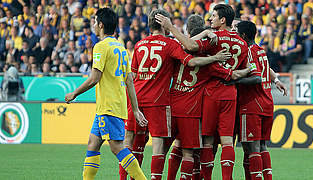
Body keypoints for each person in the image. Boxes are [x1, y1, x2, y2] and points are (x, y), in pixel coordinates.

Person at [122, 9, 231, 180]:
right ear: (165, 24)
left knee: (131, 140)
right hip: (165, 102)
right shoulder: (171, 45)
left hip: (139, 97)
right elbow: (192, 53)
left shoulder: (139, 44)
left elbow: (132, 75)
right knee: (168, 147)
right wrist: (215, 58)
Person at [156, 4, 248, 180]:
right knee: (228, 141)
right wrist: (238, 73)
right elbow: (242, 71)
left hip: (210, 94)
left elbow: (189, 46)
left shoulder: (214, 39)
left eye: (213, 16)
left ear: (222, 20)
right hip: (230, 94)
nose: (211, 19)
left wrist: (170, 27)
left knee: (206, 141)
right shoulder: (243, 44)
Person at [65, 8, 147, 180]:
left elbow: (95, 78)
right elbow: (129, 80)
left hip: (108, 106)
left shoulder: (100, 47)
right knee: (93, 144)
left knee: (117, 147)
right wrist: (136, 109)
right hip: (111, 105)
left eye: (95, 22)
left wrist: (75, 93)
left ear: (101, 25)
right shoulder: (120, 47)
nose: (94, 25)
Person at [235, 20, 287, 180]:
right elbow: (266, 69)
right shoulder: (260, 50)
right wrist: (276, 80)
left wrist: (233, 80)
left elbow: (257, 77)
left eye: (237, 33)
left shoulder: (248, 51)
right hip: (266, 101)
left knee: (253, 148)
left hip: (252, 104)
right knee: (262, 146)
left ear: (243, 36)